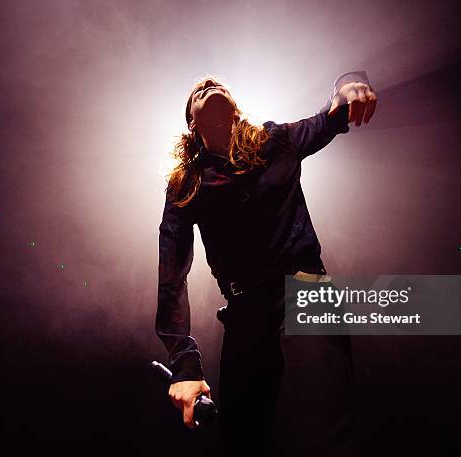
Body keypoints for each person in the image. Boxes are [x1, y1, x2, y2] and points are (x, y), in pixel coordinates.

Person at [156, 72, 377, 456]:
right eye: (198, 92)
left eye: (218, 86)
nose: (209, 84)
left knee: (328, 427)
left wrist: (351, 83)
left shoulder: (277, 142)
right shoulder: (186, 185)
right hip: (246, 311)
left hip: (306, 289)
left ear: (236, 109)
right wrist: (185, 365)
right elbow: (172, 275)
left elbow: (334, 111)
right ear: (192, 123)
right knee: (240, 440)